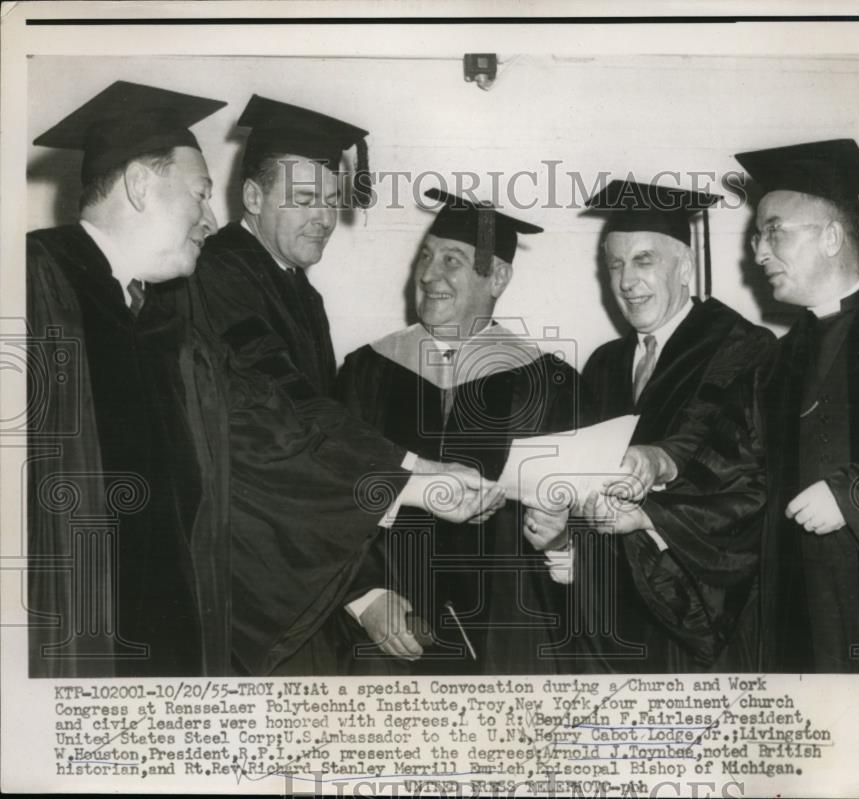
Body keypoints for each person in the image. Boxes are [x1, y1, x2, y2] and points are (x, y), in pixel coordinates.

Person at [176, 97, 500, 676]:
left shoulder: (296, 289)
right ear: (253, 198)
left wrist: (418, 469)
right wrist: (411, 481)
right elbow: (277, 427)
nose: (323, 217)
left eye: (331, 200)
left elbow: (318, 421)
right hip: (249, 567)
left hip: (292, 560)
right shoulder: (222, 273)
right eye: (303, 200)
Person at [336, 189, 586, 674]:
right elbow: (332, 492)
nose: (430, 274)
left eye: (453, 259)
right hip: (387, 639)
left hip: (507, 642)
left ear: (497, 276)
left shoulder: (552, 384)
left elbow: (583, 528)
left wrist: (562, 542)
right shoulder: (365, 372)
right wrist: (363, 595)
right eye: (425, 256)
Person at [530, 179, 774, 673]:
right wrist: (560, 538)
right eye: (615, 264)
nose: (625, 281)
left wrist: (655, 485)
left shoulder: (739, 346)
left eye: (643, 260)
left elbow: (737, 474)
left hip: (693, 619)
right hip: (607, 624)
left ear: (685, 266)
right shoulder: (603, 364)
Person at [26, 80, 227, 676]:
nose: (211, 221)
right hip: (74, 632)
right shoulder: (32, 281)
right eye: (201, 195)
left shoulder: (159, 311)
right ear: (141, 186)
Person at [735, 138, 859, 673]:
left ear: (831, 237)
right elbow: (740, 476)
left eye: (774, 231)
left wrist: (855, 495)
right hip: (797, 606)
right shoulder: (775, 361)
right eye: (758, 236)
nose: (758, 251)